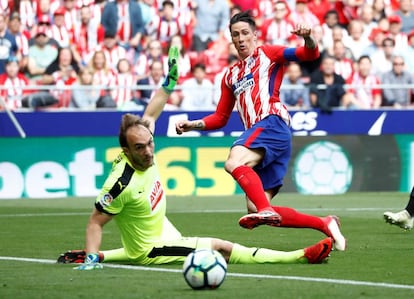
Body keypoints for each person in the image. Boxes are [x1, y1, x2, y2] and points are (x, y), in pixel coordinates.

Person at [57, 47, 334, 270]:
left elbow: (151, 114)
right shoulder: (120, 182)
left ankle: (102, 255)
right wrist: (91, 259)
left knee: (227, 225)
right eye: (140, 148)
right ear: (127, 151)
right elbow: (95, 221)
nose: (149, 151)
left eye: (150, 144)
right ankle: (299, 257)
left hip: (162, 232)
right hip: (151, 249)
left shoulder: (144, 141)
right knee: (221, 248)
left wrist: (169, 83)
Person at [175, 11, 346, 251]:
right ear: (231, 40)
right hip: (263, 136)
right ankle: (325, 223)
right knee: (255, 208)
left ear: (255, 35)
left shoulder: (268, 54)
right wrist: (195, 124)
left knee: (234, 161)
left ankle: (267, 210)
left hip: (271, 122)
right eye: (236, 35)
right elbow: (221, 117)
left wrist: (308, 38)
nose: (241, 39)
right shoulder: (230, 75)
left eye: (245, 33)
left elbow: (310, 54)